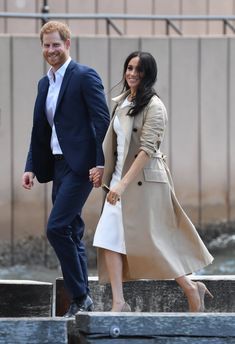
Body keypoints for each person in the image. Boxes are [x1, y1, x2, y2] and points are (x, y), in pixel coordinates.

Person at [90, 51, 213, 312]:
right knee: (107, 238)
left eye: (139, 70)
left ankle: (191, 287)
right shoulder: (123, 101)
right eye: (129, 68)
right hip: (118, 180)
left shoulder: (155, 106)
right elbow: (117, 146)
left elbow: (146, 150)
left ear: (149, 75)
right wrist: (104, 171)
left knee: (153, 241)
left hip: (144, 184)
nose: (132, 73)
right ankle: (119, 302)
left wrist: (122, 185)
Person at [22, 21, 110, 317]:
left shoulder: (84, 76)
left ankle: (81, 295)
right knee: (71, 230)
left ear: (67, 44)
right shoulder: (44, 83)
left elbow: (102, 121)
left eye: (56, 44)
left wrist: (101, 163)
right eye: (46, 45)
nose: (51, 50)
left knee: (56, 228)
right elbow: (40, 129)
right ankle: (81, 299)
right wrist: (30, 166)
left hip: (81, 167)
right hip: (57, 166)